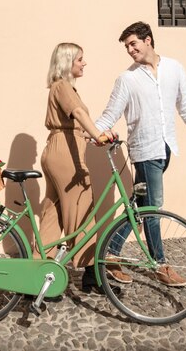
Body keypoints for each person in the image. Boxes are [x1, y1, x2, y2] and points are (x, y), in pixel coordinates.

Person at [95, 21, 186, 287]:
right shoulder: (127, 79)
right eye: (127, 46)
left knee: (138, 207)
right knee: (152, 208)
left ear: (148, 40)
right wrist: (91, 131)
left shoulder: (174, 69)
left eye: (133, 44)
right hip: (144, 151)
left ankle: (111, 254)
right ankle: (160, 265)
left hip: (165, 148)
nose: (130, 50)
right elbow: (110, 114)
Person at [36, 42, 115, 294]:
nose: (84, 63)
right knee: (82, 210)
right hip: (66, 152)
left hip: (58, 148)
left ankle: (38, 273)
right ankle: (92, 274)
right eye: (80, 59)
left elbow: (77, 123)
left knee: (54, 212)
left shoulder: (60, 87)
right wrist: (98, 135)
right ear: (68, 62)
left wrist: (95, 135)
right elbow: (79, 114)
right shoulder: (63, 86)